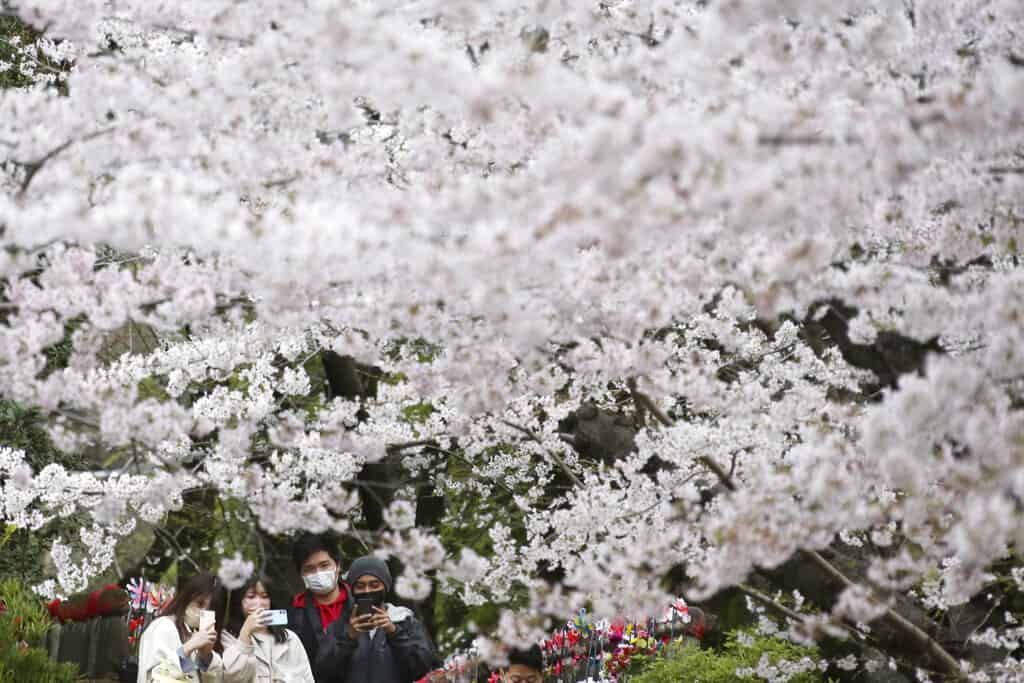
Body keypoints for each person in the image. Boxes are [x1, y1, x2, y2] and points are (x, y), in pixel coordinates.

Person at [316, 556, 437, 683]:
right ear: (352, 590)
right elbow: (323, 673)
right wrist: (349, 638)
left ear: (385, 587)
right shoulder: (338, 627)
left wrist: (394, 633)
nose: (367, 591)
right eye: (360, 586)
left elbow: (422, 668)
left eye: (374, 585)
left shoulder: (406, 622)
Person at [221, 573, 315, 682]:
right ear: (238, 601)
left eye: (265, 597)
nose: (259, 603)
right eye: (251, 597)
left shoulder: (290, 638)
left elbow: (308, 679)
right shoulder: (227, 637)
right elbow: (233, 677)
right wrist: (246, 632)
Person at [136, 572, 226, 683]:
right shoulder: (164, 627)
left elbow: (203, 678)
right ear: (187, 598)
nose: (203, 613)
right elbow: (156, 678)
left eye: (210, 609)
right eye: (199, 604)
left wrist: (206, 656)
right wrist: (187, 648)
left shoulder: (193, 633)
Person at [287, 534, 350, 677]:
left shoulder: (360, 604)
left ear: (338, 565)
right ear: (301, 574)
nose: (318, 573)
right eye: (309, 569)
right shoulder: (293, 616)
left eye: (324, 565)